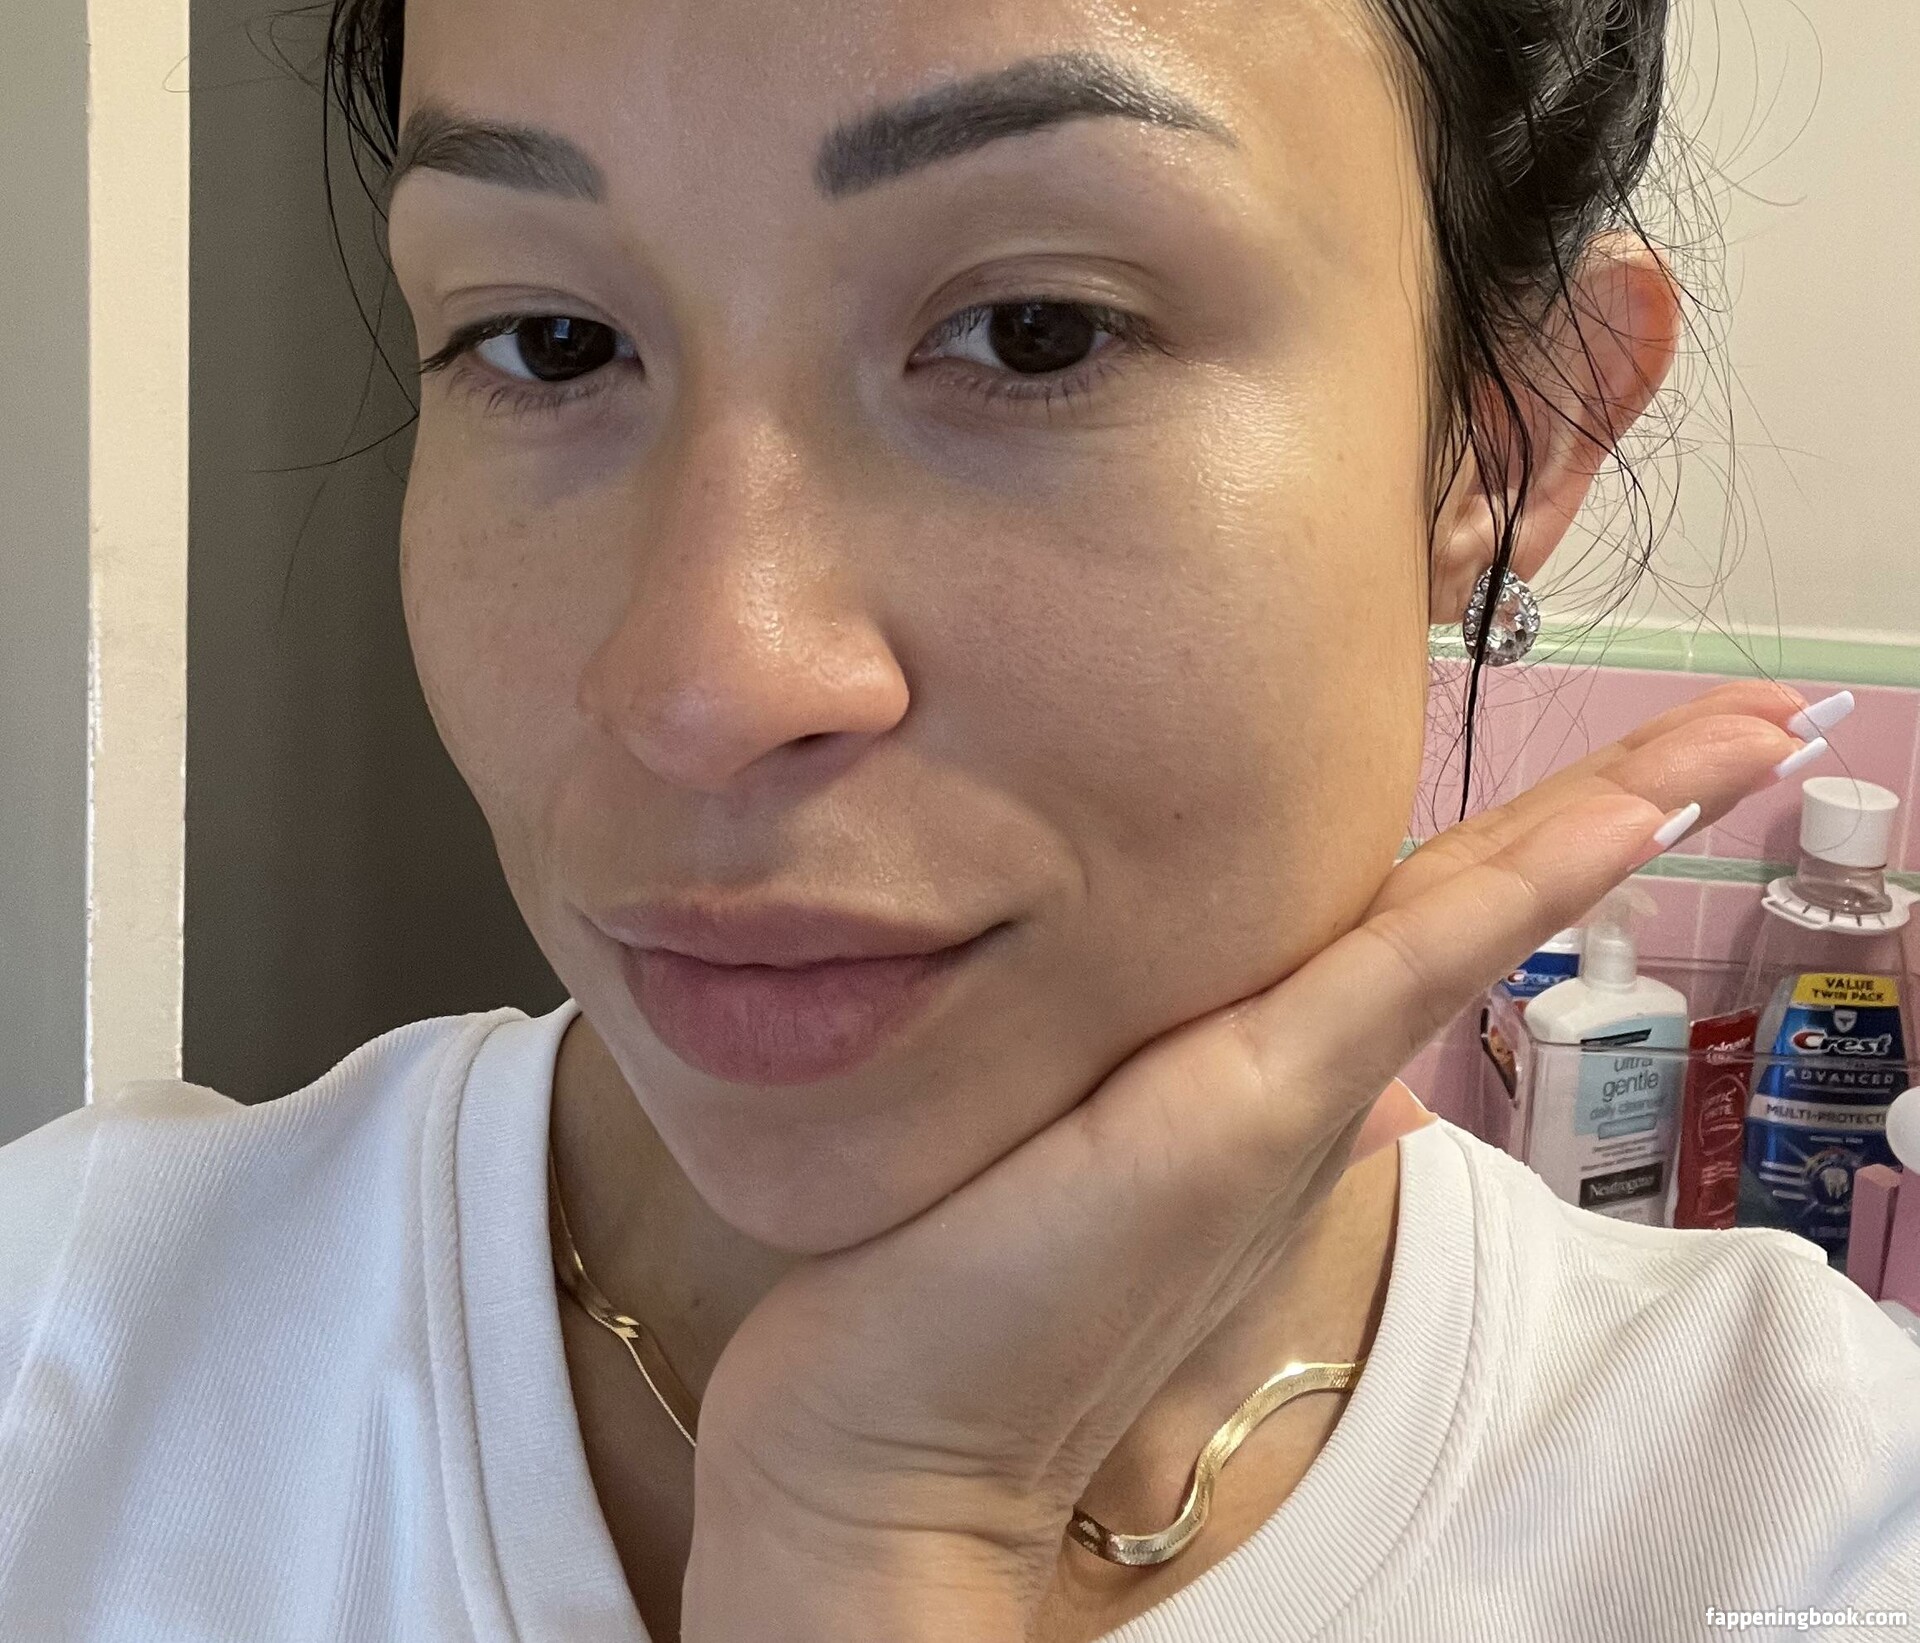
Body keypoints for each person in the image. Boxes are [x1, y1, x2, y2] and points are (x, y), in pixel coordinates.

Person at [2, 0, 1916, 1637]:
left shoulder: (1812, 1531)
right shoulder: (61, 1346)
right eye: (548, 341)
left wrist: (883, 1528)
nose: (704, 684)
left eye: (1033, 331)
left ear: (1510, 434)